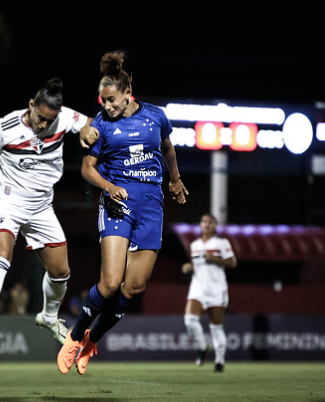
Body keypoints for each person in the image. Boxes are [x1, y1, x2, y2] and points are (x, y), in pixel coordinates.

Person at [57, 51, 188, 375]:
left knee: (134, 288)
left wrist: (175, 180)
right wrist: (107, 186)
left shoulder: (156, 117)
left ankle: (92, 340)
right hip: (118, 204)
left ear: (128, 93)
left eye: (112, 100)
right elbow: (87, 168)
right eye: (103, 100)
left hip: (151, 206)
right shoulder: (100, 125)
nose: (107, 105)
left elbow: (168, 149)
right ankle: (73, 337)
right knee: (110, 283)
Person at [0, 77, 99, 350]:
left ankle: (49, 317)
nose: (44, 125)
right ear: (31, 105)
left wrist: (87, 130)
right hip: (6, 201)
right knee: (2, 255)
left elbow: (90, 122)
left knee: (61, 271)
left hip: (41, 206)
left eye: (49, 121)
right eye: (40, 118)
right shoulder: (5, 127)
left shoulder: (64, 117)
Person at [181, 213, 237, 373]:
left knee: (216, 328)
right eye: (204, 221)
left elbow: (233, 262)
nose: (207, 224)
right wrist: (189, 267)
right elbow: (198, 264)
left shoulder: (221, 243)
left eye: (210, 222)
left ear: (215, 225)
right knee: (189, 320)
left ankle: (219, 361)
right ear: (200, 225)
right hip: (198, 287)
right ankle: (203, 347)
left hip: (216, 289)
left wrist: (215, 259)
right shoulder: (195, 245)